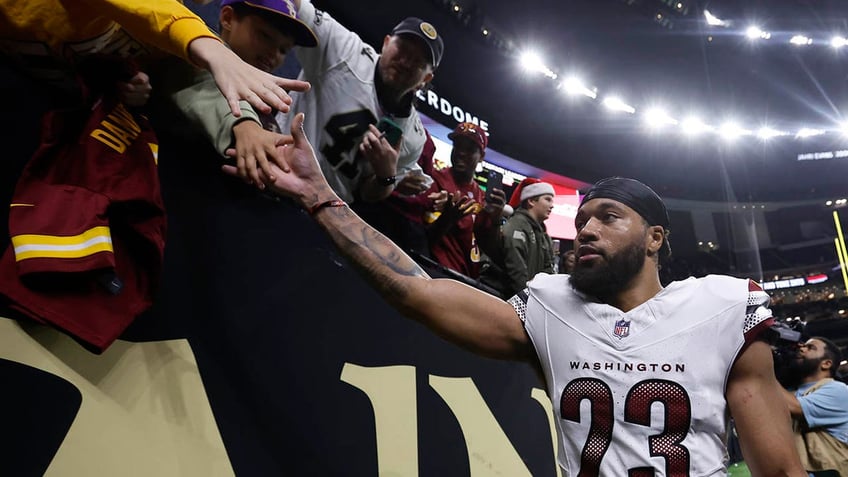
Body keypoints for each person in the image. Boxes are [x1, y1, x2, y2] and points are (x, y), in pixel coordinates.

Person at [224, 117, 806, 476]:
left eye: (610, 217)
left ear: (656, 238)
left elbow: (778, 468)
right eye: (583, 221)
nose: (587, 230)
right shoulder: (553, 308)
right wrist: (322, 198)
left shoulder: (722, 307)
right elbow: (416, 290)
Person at [0, 0, 309, 116]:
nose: (274, 53)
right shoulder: (185, 29)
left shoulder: (175, 34)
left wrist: (132, 82)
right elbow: (152, 13)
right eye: (266, 37)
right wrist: (214, 52)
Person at [278, 0, 443, 203]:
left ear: (426, 79)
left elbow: (368, 194)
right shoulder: (345, 50)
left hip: (327, 211)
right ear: (386, 43)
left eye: (418, 62)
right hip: (276, 171)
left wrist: (385, 176)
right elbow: (298, 7)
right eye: (403, 48)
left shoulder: (414, 138)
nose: (406, 62)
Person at [161, 0, 318, 188]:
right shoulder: (196, 51)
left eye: (284, 50)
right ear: (227, 18)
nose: (274, 53)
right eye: (265, 36)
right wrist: (247, 127)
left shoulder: (267, 100)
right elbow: (211, 86)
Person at [422, 122, 505, 278]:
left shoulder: (481, 196)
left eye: (469, 149)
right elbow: (421, 238)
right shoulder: (434, 180)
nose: (461, 152)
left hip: (467, 278)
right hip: (436, 273)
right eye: (458, 146)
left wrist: (495, 219)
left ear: (481, 157)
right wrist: (448, 218)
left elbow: (491, 249)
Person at [780, 337, 848, 476]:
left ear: (826, 364)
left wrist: (763, 365)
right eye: (803, 345)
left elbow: (794, 407)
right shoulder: (790, 390)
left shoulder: (837, 389)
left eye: (810, 348)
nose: (802, 349)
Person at [481, 178, 556, 297]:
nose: (552, 206)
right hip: (504, 298)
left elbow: (548, 270)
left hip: (524, 299)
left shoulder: (543, 235)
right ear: (531, 201)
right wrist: (527, 300)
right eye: (547, 199)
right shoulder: (517, 225)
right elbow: (516, 270)